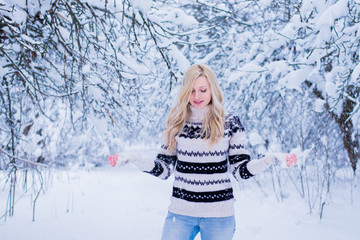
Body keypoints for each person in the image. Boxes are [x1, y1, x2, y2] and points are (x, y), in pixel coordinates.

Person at [108, 64, 297, 240]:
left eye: (202, 90)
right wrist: (134, 158)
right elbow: (164, 170)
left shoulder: (230, 123)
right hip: (181, 213)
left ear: (213, 89)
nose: (196, 95)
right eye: (191, 90)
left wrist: (268, 160)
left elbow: (240, 171)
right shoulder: (176, 122)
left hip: (219, 215)